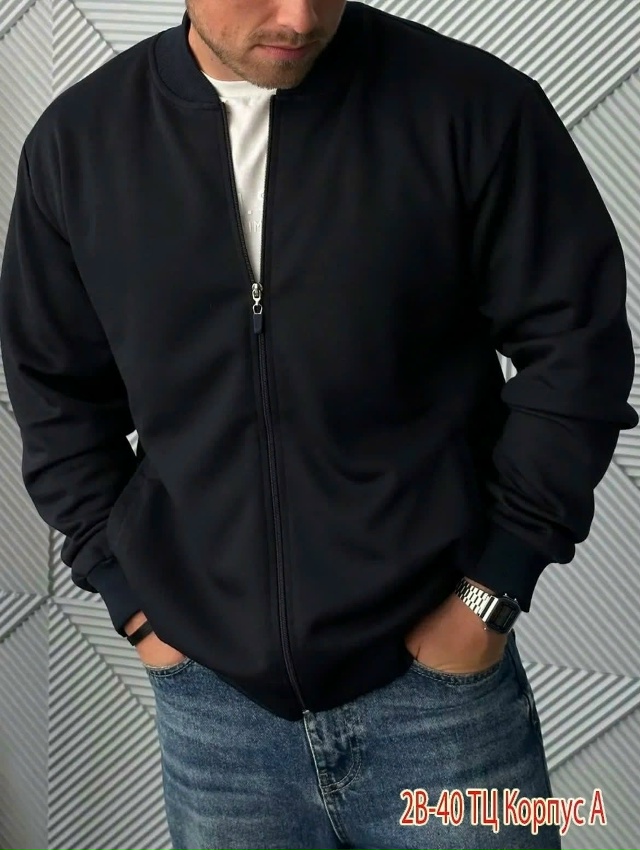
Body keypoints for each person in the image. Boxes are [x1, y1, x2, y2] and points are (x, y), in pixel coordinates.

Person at [0, 1, 637, 847]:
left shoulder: (473, 106)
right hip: (213, 718)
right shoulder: (79, 143)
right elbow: (54, 393)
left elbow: (576, 354)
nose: (299, 17)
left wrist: (491, 590)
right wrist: (132, 601)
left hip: (443, 708)